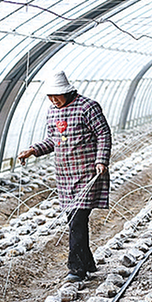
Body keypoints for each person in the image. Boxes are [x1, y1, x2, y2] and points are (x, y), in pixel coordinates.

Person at [17, 71, 112, 282]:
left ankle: (76, 269)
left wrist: (101, 160)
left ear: (67, 91)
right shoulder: (52, 112)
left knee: (77, 219)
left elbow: (103, 134)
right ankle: (87, 263)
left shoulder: (88, 107)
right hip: (65, 175)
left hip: (87, 173)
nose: (53, 100)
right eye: (50, 96)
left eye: (56, 95)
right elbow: (53, 140)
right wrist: (33, 150)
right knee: (73, 219)